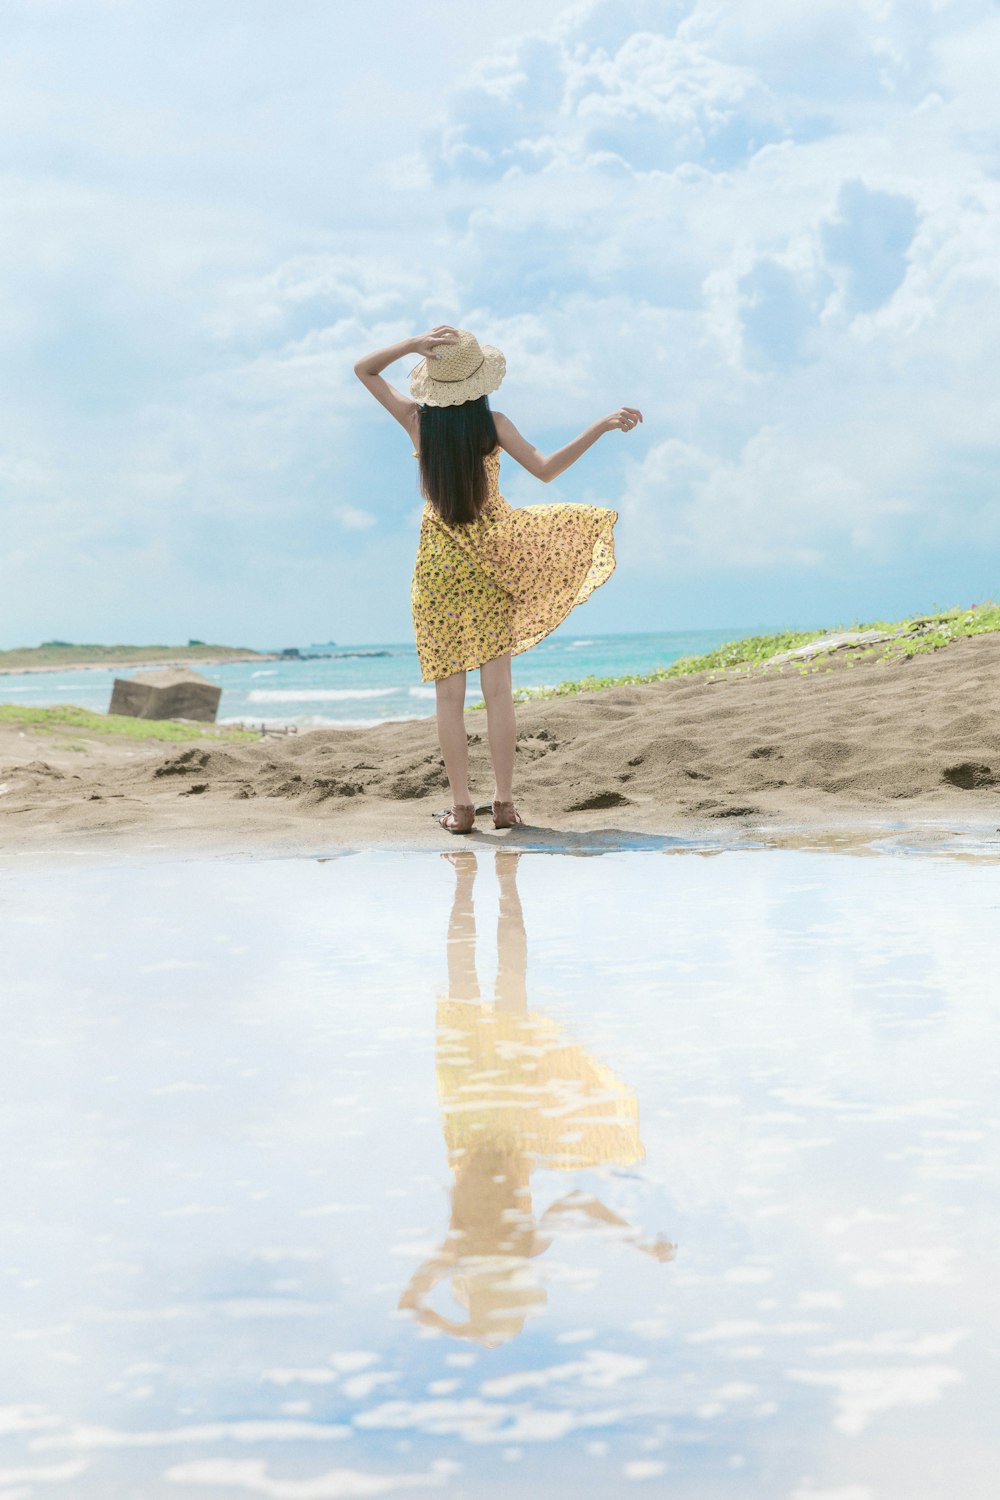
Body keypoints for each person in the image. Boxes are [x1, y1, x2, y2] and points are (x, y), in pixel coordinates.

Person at [353, 325, 642, 834]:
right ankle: (504, 805)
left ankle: (462, 809)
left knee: (449, 696)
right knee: (499, 691)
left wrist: (408, 345)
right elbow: (547, 469)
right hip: (493, 559)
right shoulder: (493, 425)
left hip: (440, 567)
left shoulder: (417, 422)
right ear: (479, 380)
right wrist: (598, 426)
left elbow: (364, 370)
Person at [397, 849, 674, 1347]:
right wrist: (640, 1243)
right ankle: (494, 877)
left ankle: (482, 877)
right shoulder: (496, 1249)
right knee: (494, 988)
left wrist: (465, 1330)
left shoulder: (465, 1251)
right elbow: (580, 1203)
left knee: (488, 988)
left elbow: (408, 1300)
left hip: (481, 1115)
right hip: (494, 1115)